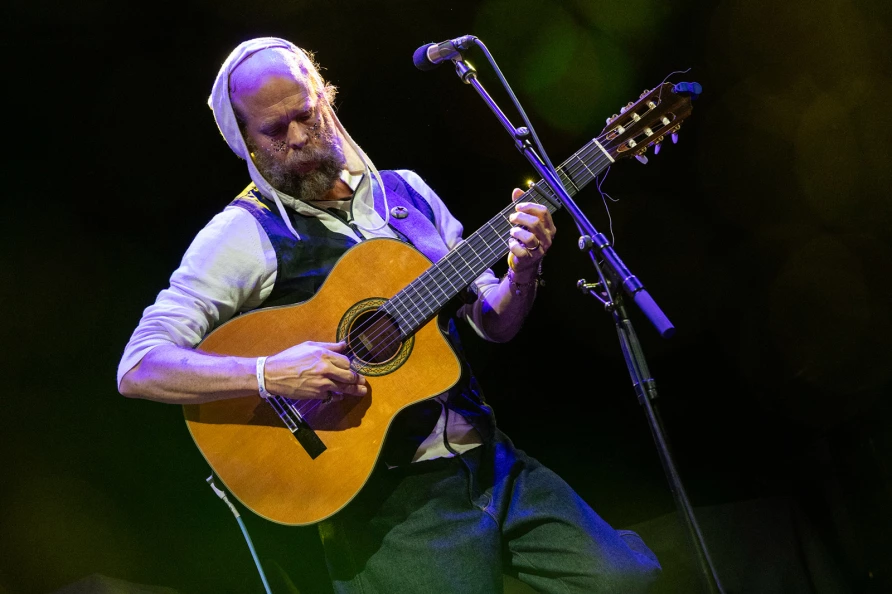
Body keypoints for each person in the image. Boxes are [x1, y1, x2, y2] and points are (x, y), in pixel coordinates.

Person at [117, 36, 661, 593]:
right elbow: (139, 366)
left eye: (306, 115)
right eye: (274, 130)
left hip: (492, 461)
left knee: (627, 581)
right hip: (393, 504)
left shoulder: (406, 193)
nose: (298, 138)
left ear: (326, 98)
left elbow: (493, 323)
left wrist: (524, 271)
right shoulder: (242, 233)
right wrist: (269, 373)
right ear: (245, 142)